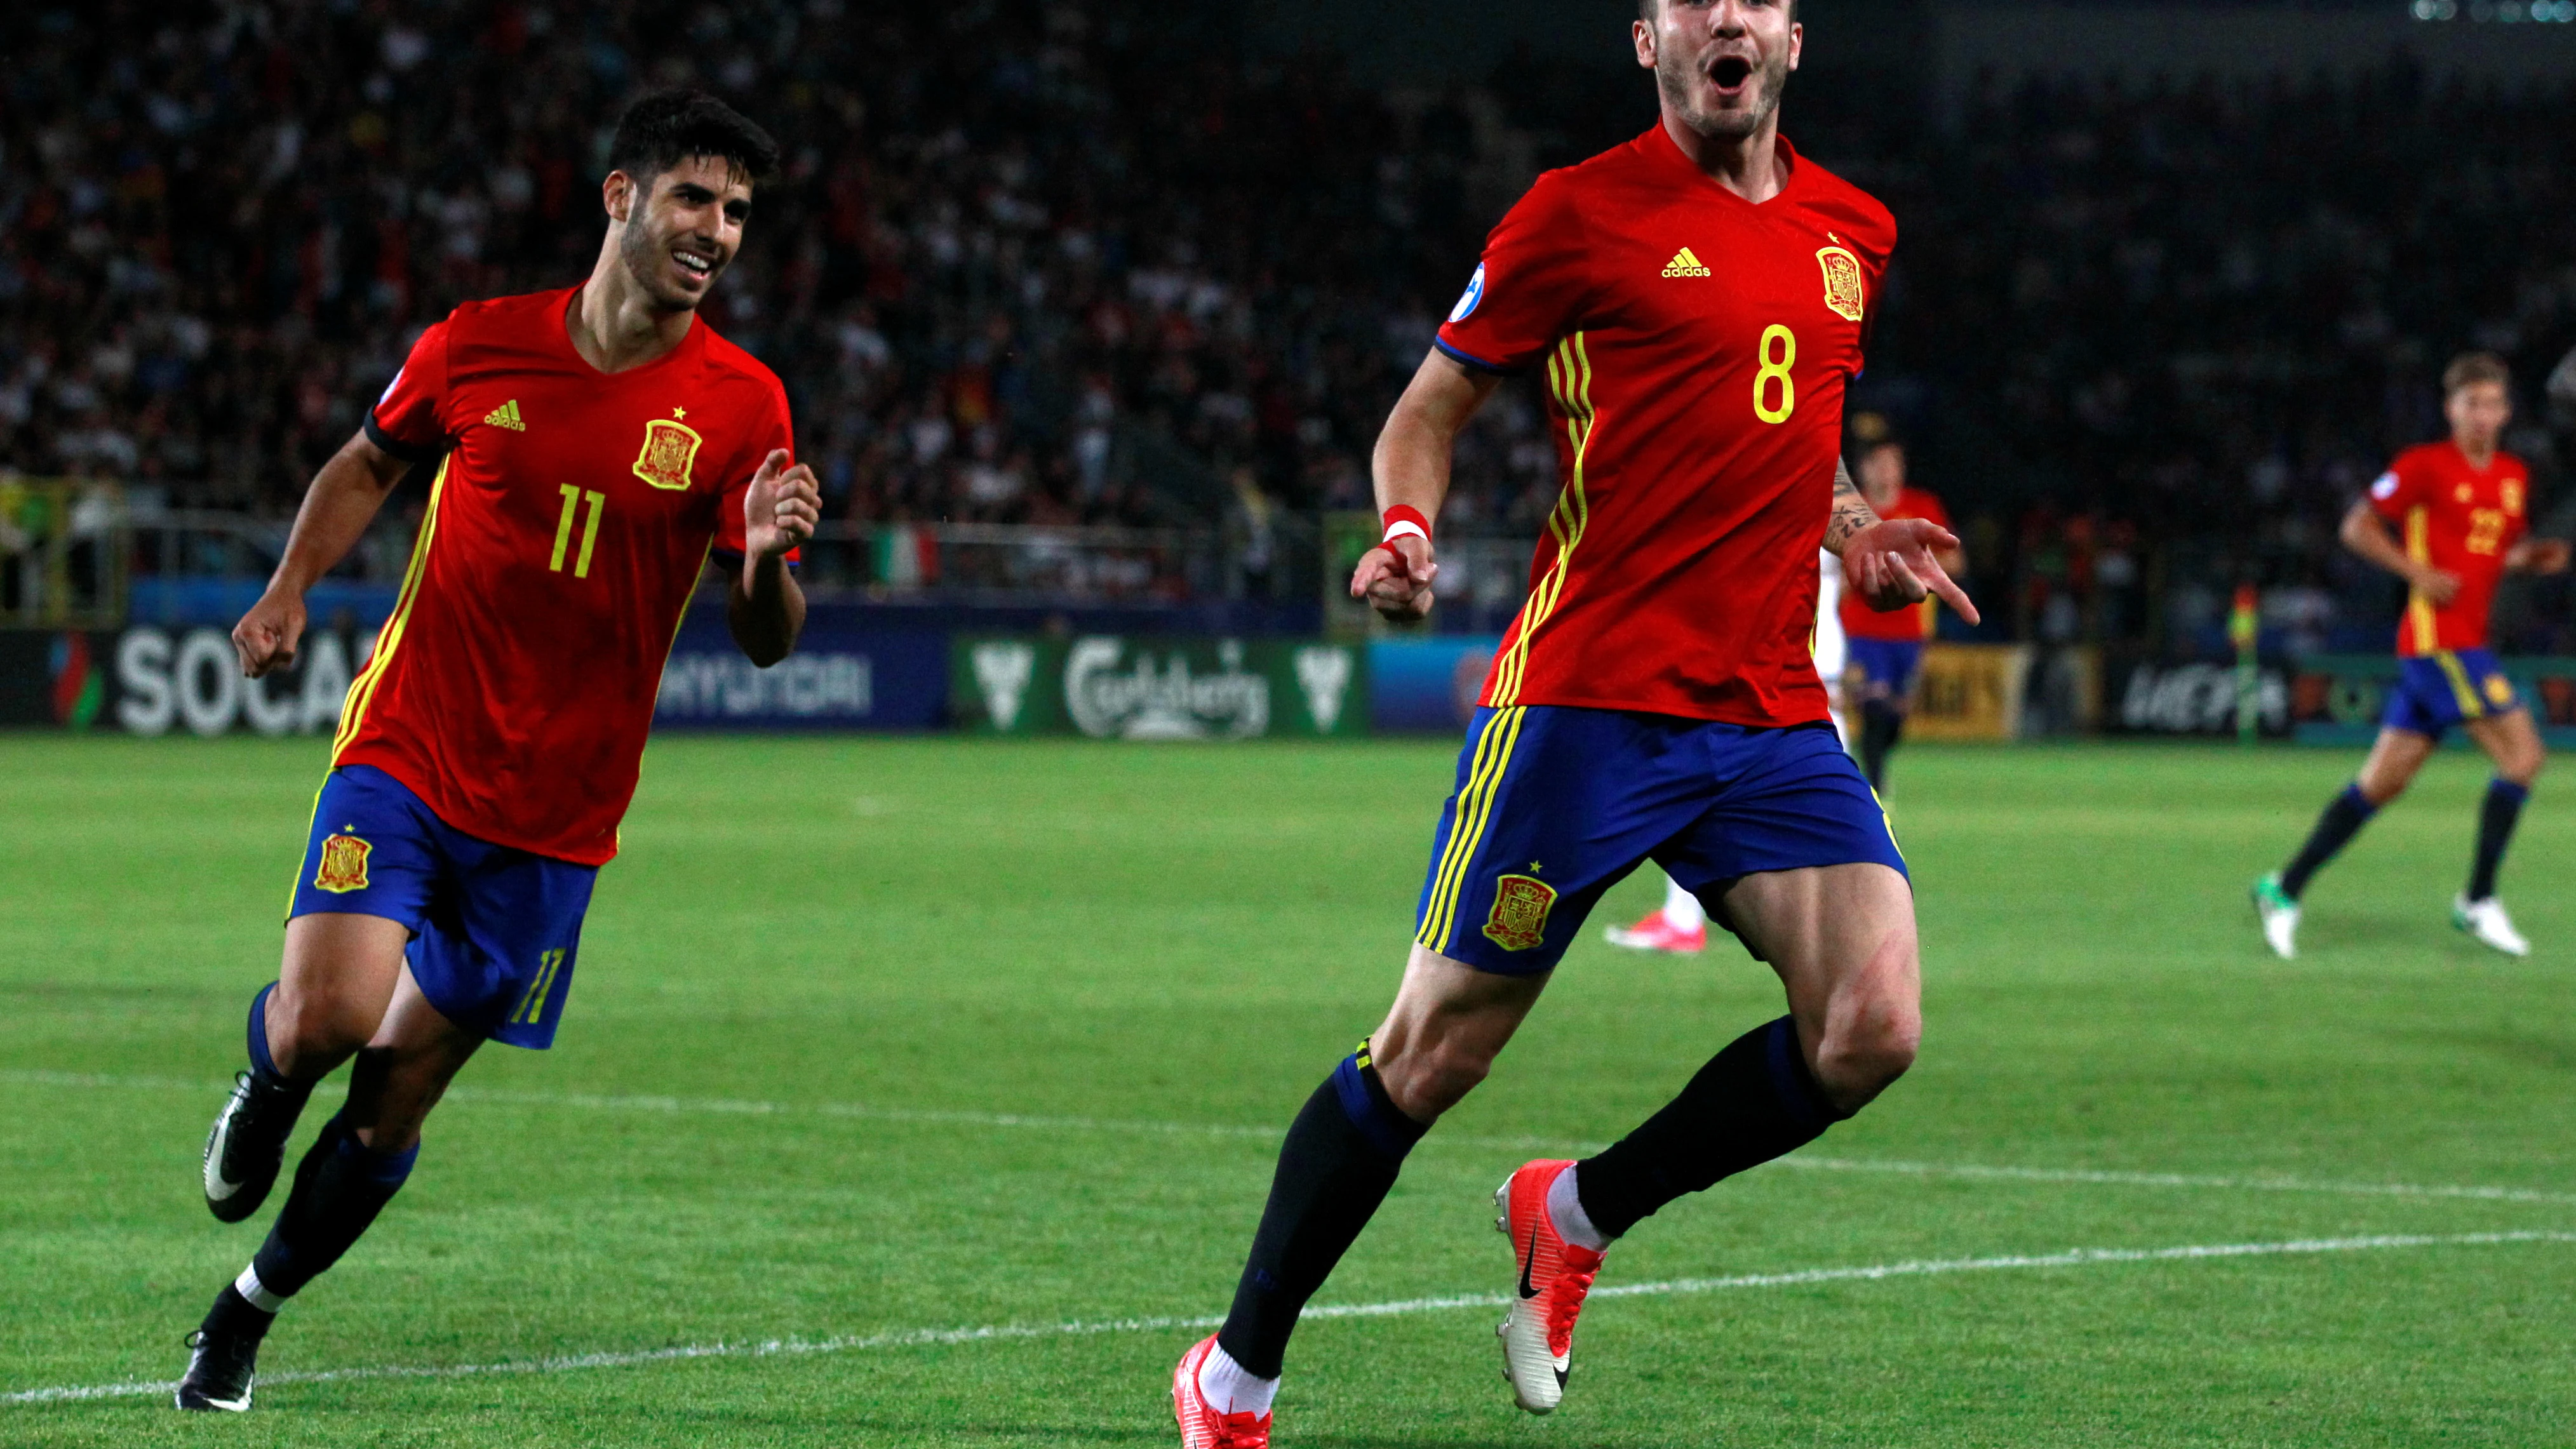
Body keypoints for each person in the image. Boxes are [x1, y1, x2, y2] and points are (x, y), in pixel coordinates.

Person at [1169, 1, 1977, 1442]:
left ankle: (1576, 1208)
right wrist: (1404, 526)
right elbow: (1427, 406)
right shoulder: (1576, 214)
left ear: (1793, 35)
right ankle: (1233, 1375)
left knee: (1871, 1026)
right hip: (1584, 700)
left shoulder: (1856, 228)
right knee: (1428, 1058)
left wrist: (1849, 523)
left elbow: (1795, 412)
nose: (1724, 17)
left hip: (1770, 710)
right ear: (1648, 37)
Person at [178, 91, 819, 1412]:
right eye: (694, 198)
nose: (717, 231)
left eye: (739, 212)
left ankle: (246, 1311)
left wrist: (761, 556)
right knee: (331, 1017)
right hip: (411, 743)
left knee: (395, 1107)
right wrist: (292, 585)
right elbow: (368, 462)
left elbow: (767, 637)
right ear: (620, 196)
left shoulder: (747, 407)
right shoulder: (479, 346)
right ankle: (266, 1076)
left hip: (558, 820)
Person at [2254, 352, 2566, 959]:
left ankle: (2283, 888)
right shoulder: (2424, 466)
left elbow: (2485, 553)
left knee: (2381, 785)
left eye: (2492, 403)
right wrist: (2414, 571)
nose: (2482, 414)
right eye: (2469, 403)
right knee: (2524, 757)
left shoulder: (2511, 476)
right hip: (2439, 643)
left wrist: (2527, 561)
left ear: (2506, 411)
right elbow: (2356, 526)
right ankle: (2478, 901)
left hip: (2462, 644)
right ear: (2450, 409)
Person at [1604, 547, 1851, 956]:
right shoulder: (1819, 517)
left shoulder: (1806, 509)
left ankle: (1686, 921)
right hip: (1799, 653)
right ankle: (1686, 917)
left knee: (1700, 781)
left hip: (1790, 654)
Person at [1837, 428, 1960, 792]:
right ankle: (1874, 789)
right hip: (1861, 632)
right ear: (1864, 468)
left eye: (1893, 463)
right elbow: (1833, 575)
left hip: (1909, 634)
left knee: (1895, 717)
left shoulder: (1922, 507)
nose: (1886, 471)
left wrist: (1913, 565)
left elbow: (1954, 561)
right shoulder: (1848, 511)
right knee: (1872, 707)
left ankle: (1876, 766)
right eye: (1878, 463)